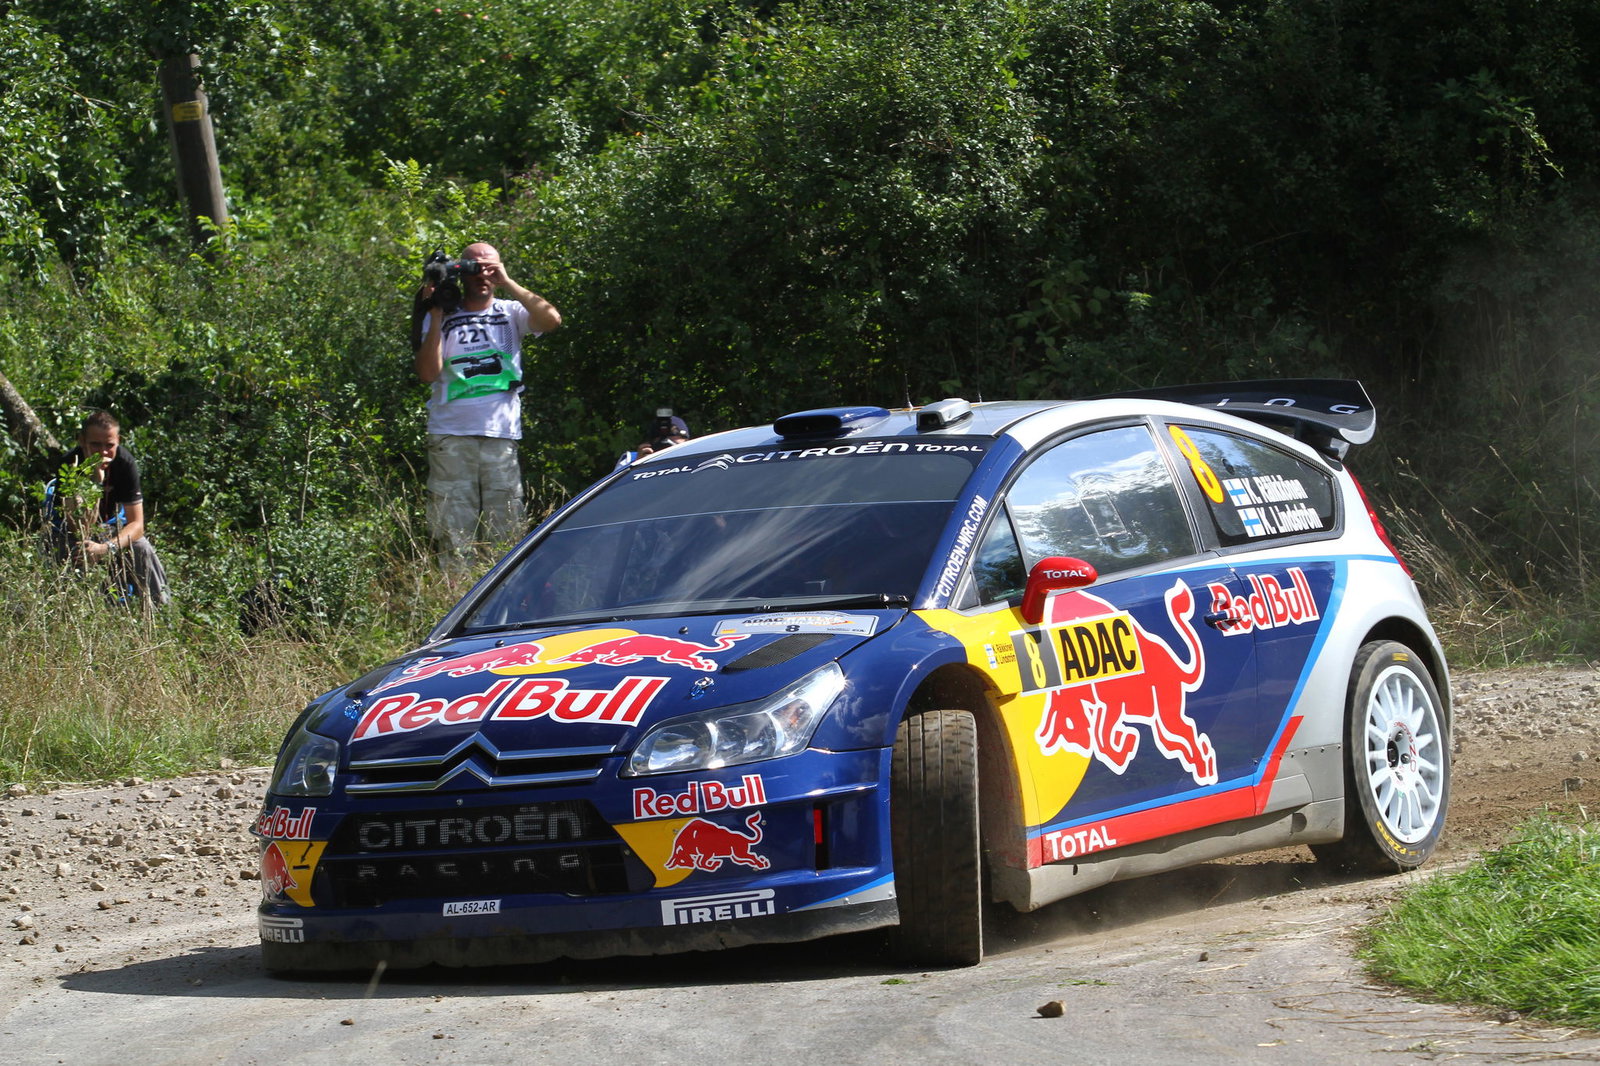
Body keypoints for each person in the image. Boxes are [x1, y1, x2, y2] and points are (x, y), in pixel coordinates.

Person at [413, 242, 561, 568]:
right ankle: (454, 589)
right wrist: (435, 314)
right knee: (453, 528)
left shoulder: (511, 311)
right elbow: (427, 374)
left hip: (500, 433)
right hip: (451, 434)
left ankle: (502, 591)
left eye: (491, 268)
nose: (483, 275)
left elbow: (551, 320)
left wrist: (507, 282)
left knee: (506, 526)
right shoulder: (443, 313)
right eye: (475, 268)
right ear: (462, 272)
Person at [52, 410, 171, 607]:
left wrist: (106, 548)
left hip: (110, 530)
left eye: (109, 445)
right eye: (95, 444)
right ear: (82, 441)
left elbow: (137, 524)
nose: (103, 452)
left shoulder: (125, 463)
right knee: (68, 551)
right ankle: (72, 609)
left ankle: (160, 611)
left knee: (142, 547)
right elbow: (77, 525)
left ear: (118, 441)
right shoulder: (70, 464)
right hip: (73, 532)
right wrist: (95, 480)